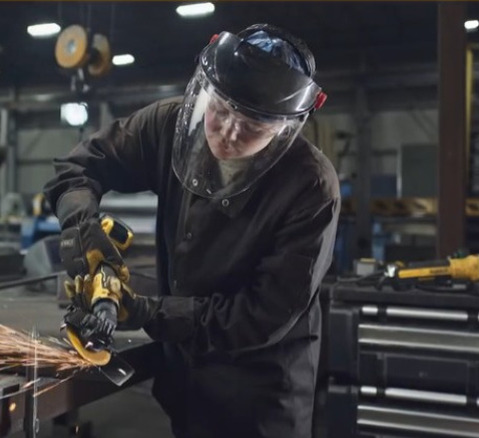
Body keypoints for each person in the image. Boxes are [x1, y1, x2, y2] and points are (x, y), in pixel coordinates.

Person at [44, 23, 340, 438]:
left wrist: (148, 312)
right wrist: (82, 228)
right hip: (184, 381)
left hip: (260, 398)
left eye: (252, 127)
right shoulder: (169, 124)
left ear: (283, 129)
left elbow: (260, 316)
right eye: (219, 111)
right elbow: (78, 167)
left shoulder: (310, 187)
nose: (228, 134)